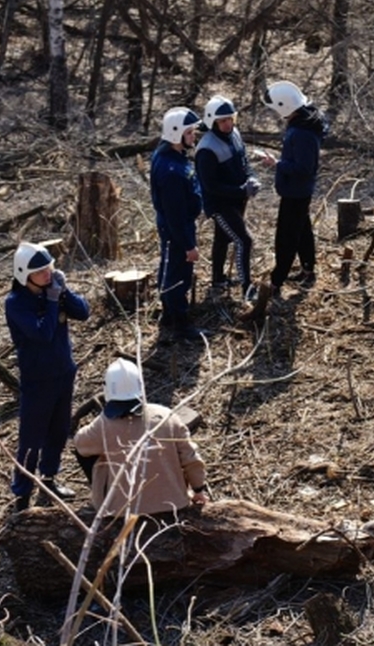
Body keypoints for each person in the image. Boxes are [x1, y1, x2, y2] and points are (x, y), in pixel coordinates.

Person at [5, 241, 91, 511]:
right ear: (23, 274)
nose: (47, 274)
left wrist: (64, 291)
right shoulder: (17, 303)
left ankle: (50, 477)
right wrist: (53, 300)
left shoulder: (52, 289)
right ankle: (23, 493)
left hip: (63, 373)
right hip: (38, 380)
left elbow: (84, 313)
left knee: (59, 431)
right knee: (31, 438)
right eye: (40, 271)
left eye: (49, 268)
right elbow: (42, 334)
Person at [73, 358, 210, 518]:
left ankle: (105, 497)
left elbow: (79, 444)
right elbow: (191, 458)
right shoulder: (166, 415)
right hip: (173, 504)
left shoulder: (103, 425)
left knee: (90, 452)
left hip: (122, 510)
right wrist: (198, 490)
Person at [195, 94, 273, 303]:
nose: (228, 124)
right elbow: (210, 186)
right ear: (212, 121)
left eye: (230, 119)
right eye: (222, 121)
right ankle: (247, 288)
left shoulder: (235, 134)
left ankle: (218, 280)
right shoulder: (206, 149)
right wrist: (241, 190)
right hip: (220, 205)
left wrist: (252, 178)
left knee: (222, 239)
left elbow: (244, 161)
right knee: (244, 241)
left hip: (237, 199)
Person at [262, 80, 330, 297]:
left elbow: (304, 168)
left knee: (286, 237)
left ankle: (276, 282)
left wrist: (277, 164)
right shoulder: (301, 122)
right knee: (302, 230)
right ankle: (308, 269)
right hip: (297, 191)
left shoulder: (302, 133)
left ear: (285, 107)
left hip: (296, 192)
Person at [150, 106, 207, 341]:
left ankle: (169, 315)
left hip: (176, 226)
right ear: (176, 134)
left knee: (169, 269)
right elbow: (175, 214)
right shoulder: (171, 171)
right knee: (178, 276)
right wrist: (188, 246)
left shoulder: (170, 156)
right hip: (178, 229)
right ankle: (181, 325)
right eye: (190, 133)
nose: (194, 136)